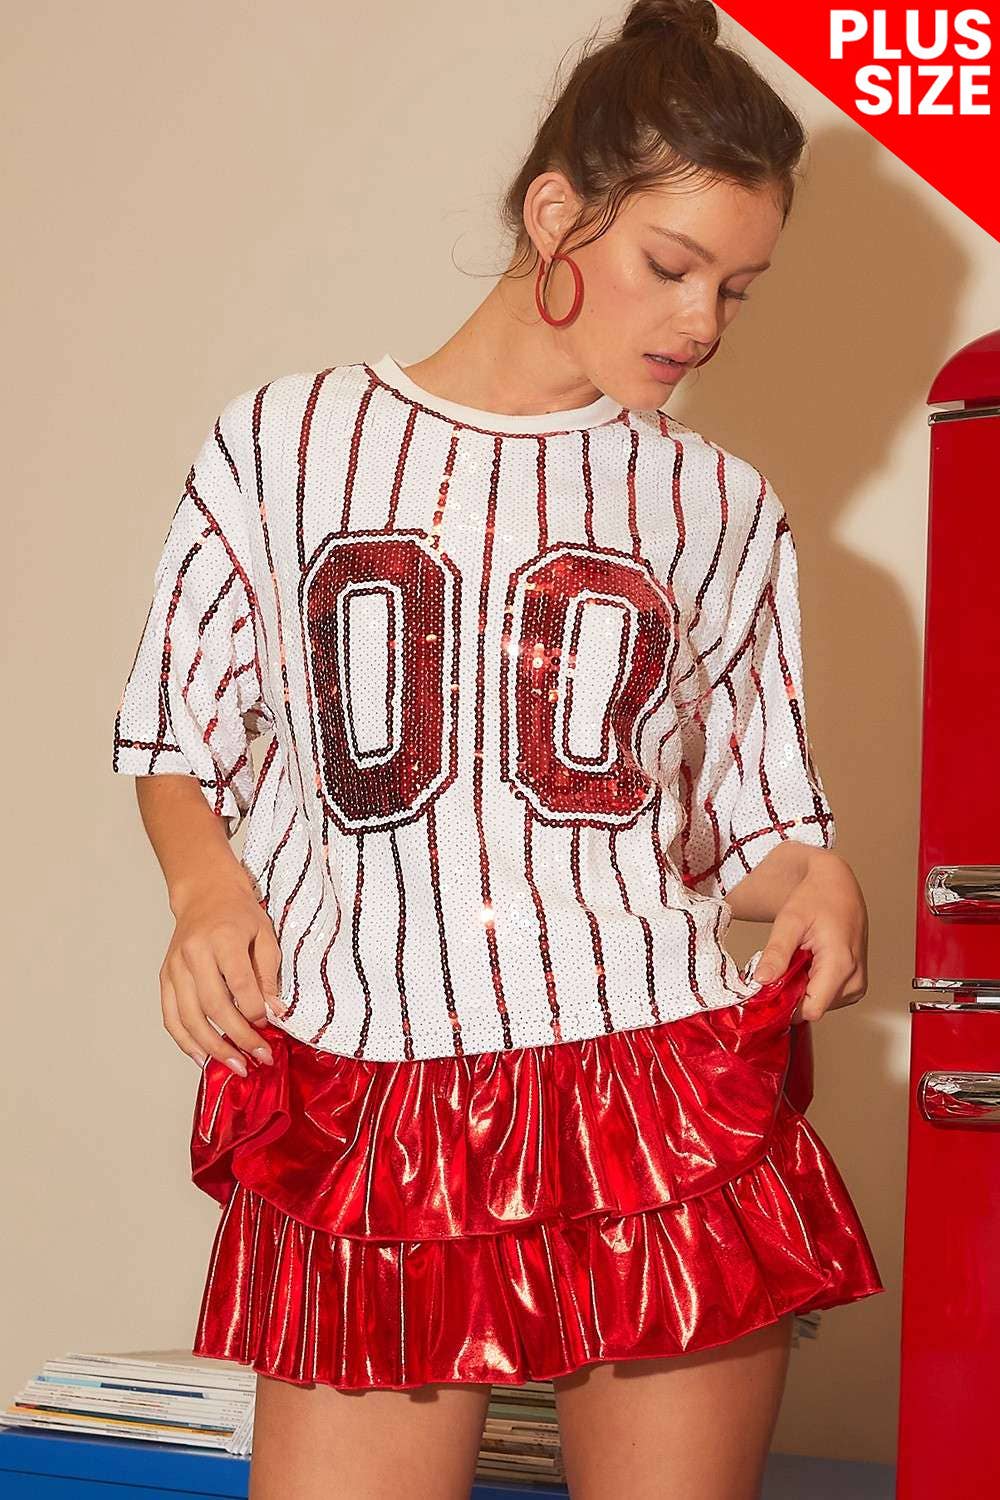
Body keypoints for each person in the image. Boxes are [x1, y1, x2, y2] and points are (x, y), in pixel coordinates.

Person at [110, 2, 884, 1496]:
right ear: (555, 216)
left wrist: (816, 880)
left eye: (739, 288)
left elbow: (751, 819)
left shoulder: (722, 505)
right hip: (371, 1080)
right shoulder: (286, 443)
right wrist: (205, 890)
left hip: (653, 1091)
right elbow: (175, 725)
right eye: (672, 266)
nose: (703, 324)